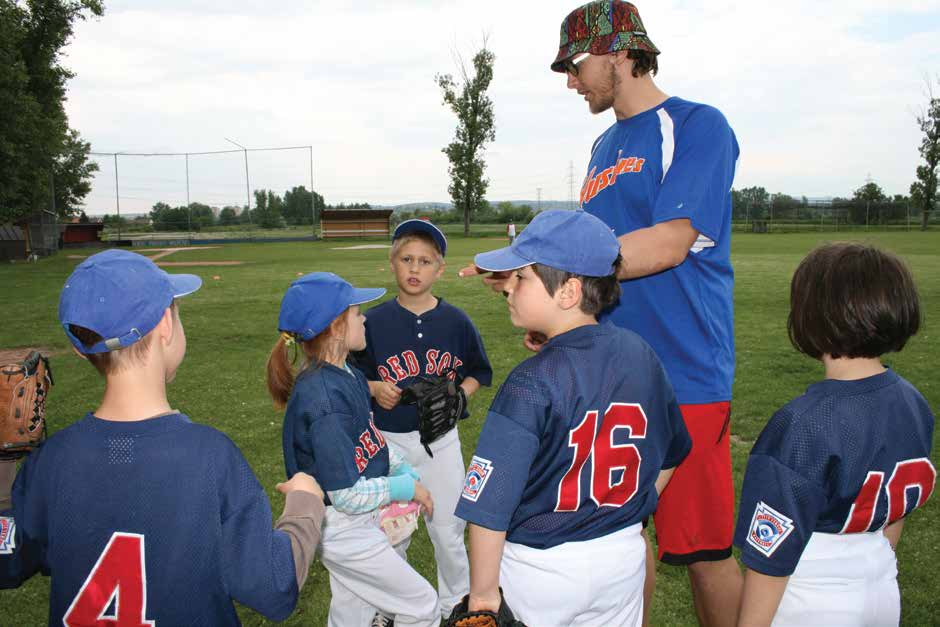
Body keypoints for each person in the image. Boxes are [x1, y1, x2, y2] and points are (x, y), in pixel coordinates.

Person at [460, 2, 743, 623]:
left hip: (683, 368)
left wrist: (565, 269)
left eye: (575, 63)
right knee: (619, 534)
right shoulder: (603, 145)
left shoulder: (697, 126)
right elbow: (586, 266)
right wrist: (545, 298)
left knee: (703, 546)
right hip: (601, 372)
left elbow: (671, 241)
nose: (570, 80)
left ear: (620, 51)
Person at [0, 249, 326, 625]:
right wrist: (305, 504)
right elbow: (272, 587)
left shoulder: (51, 460)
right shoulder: (210, 458)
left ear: (78, 348)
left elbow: (9, 559)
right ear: (165, 326)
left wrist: (6, 470)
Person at [454, 210, 692, 626]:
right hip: (621, 557)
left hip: (541, 569)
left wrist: (484, 596)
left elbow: (488, 508)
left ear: (568, 292)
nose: (508, 288)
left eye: (521, 278)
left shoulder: (530, 382)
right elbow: (672, 450)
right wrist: (634, 506)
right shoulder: (641, 355)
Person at [734, 243, 935, 627]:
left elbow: (771, 558)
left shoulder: (801, 424)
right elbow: (894, 507)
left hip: (811, 592)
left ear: (814, 317)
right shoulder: (913, 402)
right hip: (879, 578)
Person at [266, 272, 440, 627]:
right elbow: (344, 494)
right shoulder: (325, 400)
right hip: (342, 526)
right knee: (421, 606)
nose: (364, 319)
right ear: (336, 327)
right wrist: (406, 488)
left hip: (351, 521)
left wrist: (399, 466)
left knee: (353, 611)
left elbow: (370, 440)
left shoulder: (349, 374)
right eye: (357, 312)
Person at [352, 219, 492, 617]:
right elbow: (347, 376)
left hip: (441, 443)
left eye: (425, 261)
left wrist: (459, 395)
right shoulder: (372, 324)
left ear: (440, 269)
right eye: (407, 259)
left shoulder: (456, 322)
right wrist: (374, 387)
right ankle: (391, 604)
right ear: (392, 263)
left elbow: (479, 372)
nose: (415, 269)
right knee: (391, 532)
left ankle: (457, 605)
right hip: (387, 443)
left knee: (448, 529)